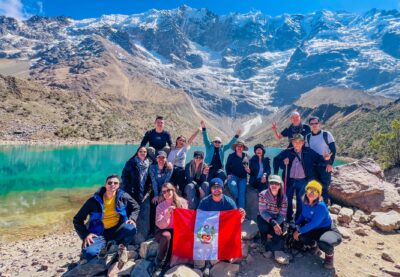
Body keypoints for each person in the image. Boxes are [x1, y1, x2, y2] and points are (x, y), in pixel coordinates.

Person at [73, 175, 139, 273]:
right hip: (99, 232)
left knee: (131, 228)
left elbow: (136, 207)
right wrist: (86, 235)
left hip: (116, 229)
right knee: (89, 253)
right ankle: (105, 246)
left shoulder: (123, 196)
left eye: (115, 183)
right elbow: (77, 219)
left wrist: (132, 218)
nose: (112, 185)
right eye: (110, 183)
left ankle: (120, 246)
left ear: (118, 185)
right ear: (105, 185)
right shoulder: (94, 201)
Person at [273, 134, 331, 222]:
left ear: (303, 143)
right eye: (295, 142)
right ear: (292, 143)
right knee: (288, 199)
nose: (297, 143)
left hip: (303, 181)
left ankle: (298, 218)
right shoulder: (287, 152)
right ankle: (288, 217)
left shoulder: (309, 152)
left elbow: (319, 160)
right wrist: (282, 163)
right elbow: (276, 159)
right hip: (289, 180)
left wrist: (326, 160)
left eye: (299, 142)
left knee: (301, 200)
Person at [194, 178, 246, 270]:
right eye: (214, 187)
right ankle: (200, 267)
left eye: (219, 187)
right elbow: (199, 221)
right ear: (210, 189)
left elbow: (235, 222)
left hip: (224, 231)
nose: (216, 189)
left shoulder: (229, 202)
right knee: (199, 241)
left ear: (222, 188)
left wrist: (241, 217)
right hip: (209, 229)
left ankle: (213, 262)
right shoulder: (204, 202)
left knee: (235, 242)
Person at [294, 180, 342, 269]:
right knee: (301, 237)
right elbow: (303, 214)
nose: (311, 193)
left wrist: (299, 231)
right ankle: (314, 246)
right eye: (309, 190)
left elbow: (314, 223)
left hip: (325, 229)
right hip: (314, 228)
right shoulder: (304, 200)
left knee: (324, 242)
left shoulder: (321, 206)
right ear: (306, 191)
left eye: (315, 191)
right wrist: (296, 223)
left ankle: (329, 256)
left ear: (319, 194)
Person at [121, 146, 154, 241]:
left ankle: (137, 230)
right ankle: (126, 230)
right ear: (137, 152)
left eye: (144, 152)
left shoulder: (149, 163)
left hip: (143, 190)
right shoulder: (131, 163)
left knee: (139, 208)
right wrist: (128, 187)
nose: (143, 153)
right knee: (130, 208)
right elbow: (124, 176)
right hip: (132, 190)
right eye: (141, 151)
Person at [257, 175, 289, 265]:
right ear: (269, 184)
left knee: (279, 233)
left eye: (276, 183)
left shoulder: (284, 198)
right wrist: (273, 223)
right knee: (263, 227)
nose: (274, 185)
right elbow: (262, 211)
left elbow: (282, 214)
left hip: (277, 219)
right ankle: (264, 239)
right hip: (265, 218)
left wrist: (276, 225)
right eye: (272, 183)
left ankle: (269, 237)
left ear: (280, 185)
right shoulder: (263, 194)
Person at [155, 183, 188, 269]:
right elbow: (160, 225)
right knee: (167, 235)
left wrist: (178, 211)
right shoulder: (160, 206)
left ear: (173, 190)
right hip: (164, 230)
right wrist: (167, 215)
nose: (166, 193)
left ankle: (169, 261)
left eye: (168, 190)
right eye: (164, 192)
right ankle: (159, 259)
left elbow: (186, 219)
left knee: (178, 236)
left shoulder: (183, 202)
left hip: (178, 229)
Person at [305, 117, 336, 204]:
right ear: (310, 125)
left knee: (324, 188)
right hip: (313, 167)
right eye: (312, 124)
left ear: (319, 124)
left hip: (325, 165)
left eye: (316, 123)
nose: (314, 125)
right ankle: (314, 207)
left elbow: (333, 150)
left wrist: (330, 164)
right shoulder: (308, 137)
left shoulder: (326, 134)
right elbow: (307, 152)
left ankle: (324, 209)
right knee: (314, 188)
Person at [168, 129, 200, 193]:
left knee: (180, 173)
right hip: (171, 167)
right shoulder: (172, 149)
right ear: (177, 140)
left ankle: (180, 192)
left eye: (183, 141)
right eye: (180, 140)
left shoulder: (184, 148)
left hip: (180, 168)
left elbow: (191, 139)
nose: (182, 142)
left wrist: (198, 130)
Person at [226, 140, 250, 209]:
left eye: (241, 146)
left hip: (243, 178)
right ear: (235, 147)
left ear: (243, 148)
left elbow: (250, 167)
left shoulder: (246, 156)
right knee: (233, 185)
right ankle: (236, 198)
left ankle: (241, 212)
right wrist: (228, 174)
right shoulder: (231, 156)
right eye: (238, 146)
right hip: (233, 176)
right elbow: (227, 166)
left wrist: (248, 170)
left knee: (242, 193)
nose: (239, 147)